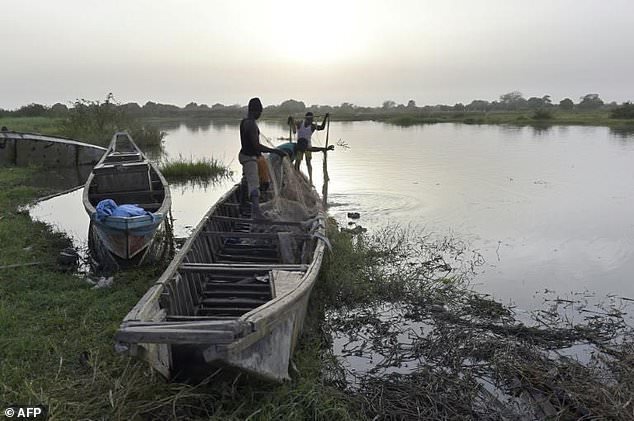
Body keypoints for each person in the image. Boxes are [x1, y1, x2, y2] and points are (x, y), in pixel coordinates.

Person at [239, 97, 286, 218]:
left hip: (244, 155)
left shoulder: (244, 121)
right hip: (249, 158)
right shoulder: (252, 125)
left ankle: (242, 205)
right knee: (254, 185)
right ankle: (257, 213)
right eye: (260, 112)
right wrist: (275, 150)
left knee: (246, 181)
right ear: (255, 111)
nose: (260, 115)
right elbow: (257, 146)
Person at [269, 138, 334, 187]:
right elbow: (282, 165)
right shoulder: (289, 150)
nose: (305, 149)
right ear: (300, 145)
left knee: (283, 182)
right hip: (272, 163)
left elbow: (312, 149)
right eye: (304, 147)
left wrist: (325, 149)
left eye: (305, 147)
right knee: (279, 182)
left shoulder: (298, 148)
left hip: (278, 165)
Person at [288, 111, 330, 184]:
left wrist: (325, 118)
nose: (311, 121)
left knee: (308, 162)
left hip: (308, 145)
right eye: (309, 119)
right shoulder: (300, 123)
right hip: (299, 145)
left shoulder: (312, 126)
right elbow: (291, 124)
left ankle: (310, 179)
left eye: (311, 119)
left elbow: (322, 128)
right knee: (298, 162)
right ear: (306, 119)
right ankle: (296, 176)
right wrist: (291, 120)